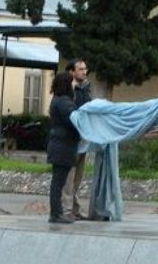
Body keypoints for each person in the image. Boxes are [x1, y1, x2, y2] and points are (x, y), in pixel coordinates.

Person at [46, 72, 81, 223]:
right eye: (71, 82)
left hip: (57, 144)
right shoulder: (65, 102)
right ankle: (56, 214)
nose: (74, 85)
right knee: (58, 182)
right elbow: (74, 121)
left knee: (57, 181)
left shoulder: (56, 99)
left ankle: (56, 212)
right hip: (64, 146)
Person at [62, 59, 92, 220]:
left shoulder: (85, 89)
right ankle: (66, 210)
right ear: (72, 72)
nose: (84, 72)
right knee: (69, 177)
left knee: (78, 177)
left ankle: (74, 208)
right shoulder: (68, 90)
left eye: (85, 69)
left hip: (83, 138)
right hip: (71, 139)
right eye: (80, 69)